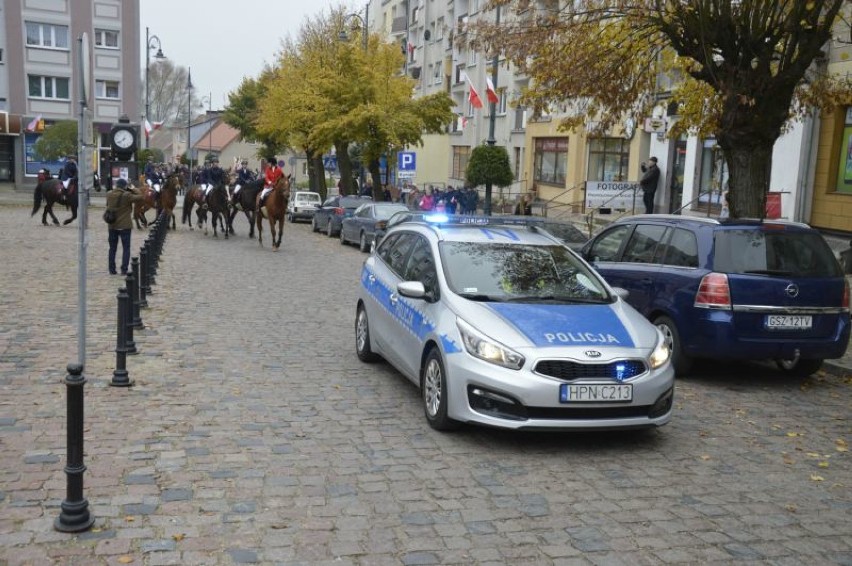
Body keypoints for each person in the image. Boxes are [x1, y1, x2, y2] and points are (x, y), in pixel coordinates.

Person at [106, 178, 144, 276]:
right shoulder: (127, 195)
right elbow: (140, 196)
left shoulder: (109, 194)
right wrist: (132, 188)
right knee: (126, 248)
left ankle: (112, 270)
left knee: (112, 248)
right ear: (124, 186)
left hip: (112, 225)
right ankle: (124, 270)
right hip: (125, 226)